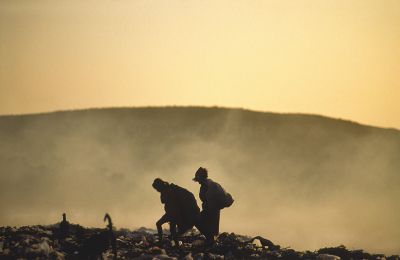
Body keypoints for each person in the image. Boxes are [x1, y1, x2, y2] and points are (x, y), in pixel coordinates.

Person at [193, 167, 234, 246]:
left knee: (198, 221)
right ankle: (210, 241)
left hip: (212, 210)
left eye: (198, 179)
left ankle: (210, 242)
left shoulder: (210, 185)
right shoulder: (205, 185)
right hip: (210, 210)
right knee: (202, 224)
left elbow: (210, 200)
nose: (197, 181)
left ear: (202, 177)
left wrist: (208, 209)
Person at [152, 178, 200, 244]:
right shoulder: (168, 189)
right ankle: (175, 244)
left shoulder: (168, 191)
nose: (157, 190)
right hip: (173, 213)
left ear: (159, 186)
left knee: (162, 225)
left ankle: (162, 241)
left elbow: (168, 202)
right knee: (172, 230)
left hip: (173, 213)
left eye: (157, 188)